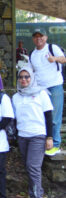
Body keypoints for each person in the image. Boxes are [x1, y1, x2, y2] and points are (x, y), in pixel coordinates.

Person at [13, 67, 53, 198]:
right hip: (23, 136)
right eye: (21, 77)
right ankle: (37, 197)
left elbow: (49, 117)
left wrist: (49, 137)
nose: (24, 80)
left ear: (32, 78)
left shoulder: (41, 94)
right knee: (29, 167)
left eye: (27, 77)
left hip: (38, 135)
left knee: (33, 167)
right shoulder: (16, 97)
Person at [29, 28, 66, 156]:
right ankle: (45, 143)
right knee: (43, 116)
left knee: (55, 116)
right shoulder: (32, 54)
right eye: (36, 36)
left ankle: (55, 144)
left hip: (55, 86)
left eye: (41, 36)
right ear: (33, 39)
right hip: (40, 89)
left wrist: (54, 58)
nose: (38, 38)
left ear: (46, 37)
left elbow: (64, 59)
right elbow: (31, 72)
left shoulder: (52, 47)